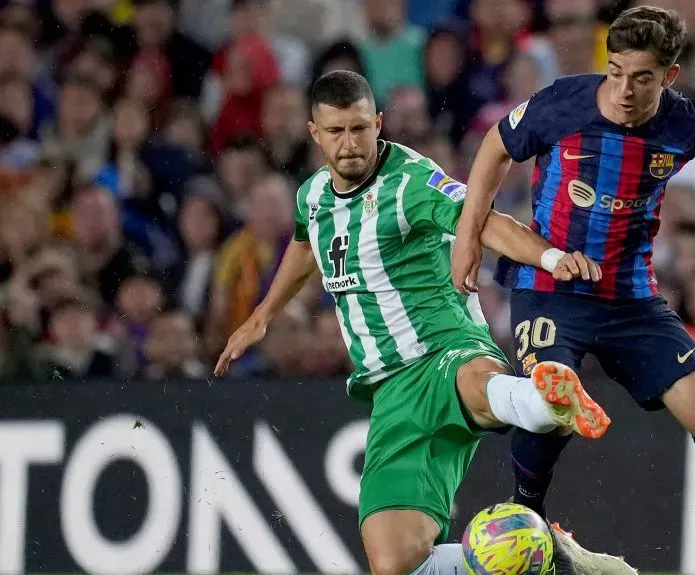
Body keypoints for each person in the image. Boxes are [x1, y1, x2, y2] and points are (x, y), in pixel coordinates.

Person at [214, 70, 629, 575]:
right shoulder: (313, 197)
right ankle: (547, 557)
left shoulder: (411, 181)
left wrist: (549, 258)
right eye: (337, 131)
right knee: (397, 565)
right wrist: (262, 315)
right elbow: (305, 247)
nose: (350, 144)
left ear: (379, 123)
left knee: (475, 383)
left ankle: (545, 400)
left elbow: (483, 220)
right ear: (314, 133)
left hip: (444, 346)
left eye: (361, 128)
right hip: (390, 389)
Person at [451, 6, 695, 575]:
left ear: (670, 77)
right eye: (615, 71)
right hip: (551, 283)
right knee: (551, 397)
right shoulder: (563, 102)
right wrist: (469, 236)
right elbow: (495, 146)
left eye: (641, 77)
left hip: (630, 297)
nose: (624, 89)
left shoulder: (687, 122)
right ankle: (524, 520)